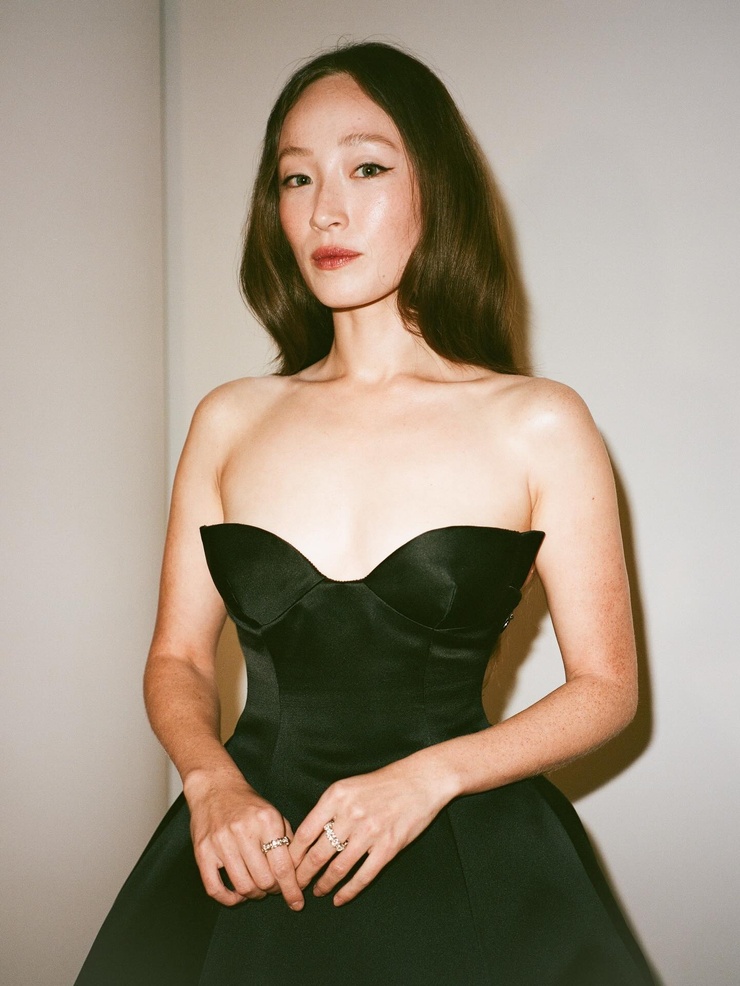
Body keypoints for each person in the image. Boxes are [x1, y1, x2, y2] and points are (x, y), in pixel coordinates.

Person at [75, 41, 656, 985]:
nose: (325, 210)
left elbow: (607, 688)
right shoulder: (229, 419)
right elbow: (178, 658)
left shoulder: (540, 422)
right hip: (249, 846)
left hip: (467, 847)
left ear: (437, 189)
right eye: (295, 178)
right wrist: (210, 781)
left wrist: (429, 777)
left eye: (368, 168)